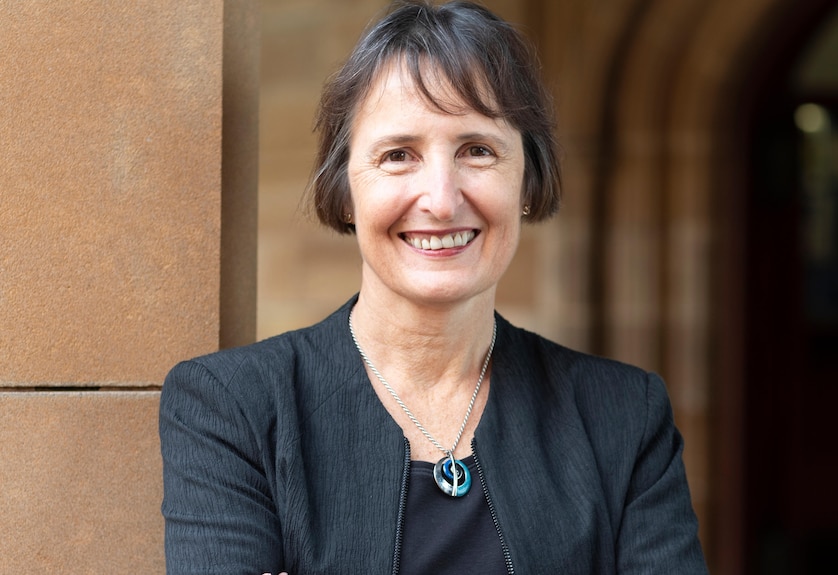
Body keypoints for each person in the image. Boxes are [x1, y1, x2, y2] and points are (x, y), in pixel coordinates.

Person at [159, 1, 709, 573]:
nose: (442, 200)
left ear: (527, 179)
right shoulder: (232, 409)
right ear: (346, 192)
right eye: (399, 156)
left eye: (477, 151)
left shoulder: (624, 416)